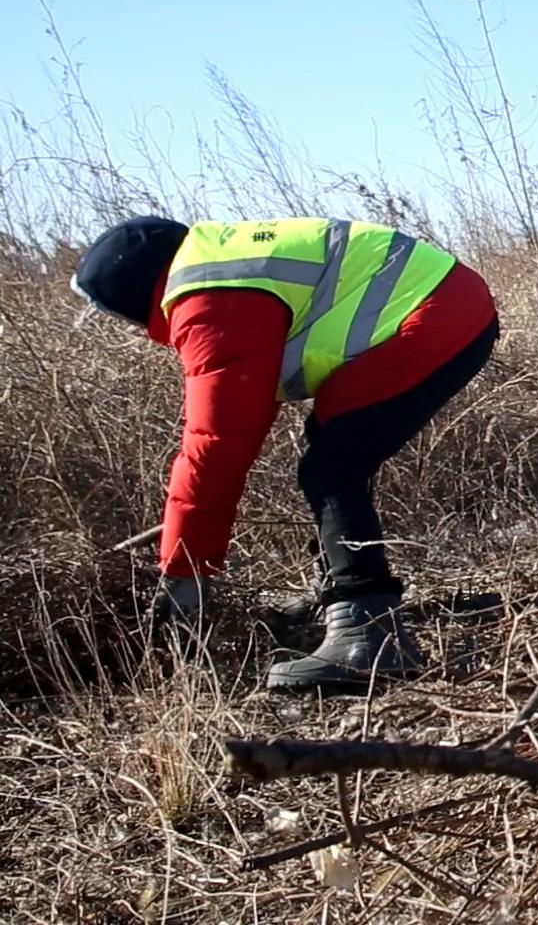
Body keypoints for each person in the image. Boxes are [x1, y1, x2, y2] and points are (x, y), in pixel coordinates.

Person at [69, 215, 498, 689]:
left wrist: (183, 570)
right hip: (447, 303)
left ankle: (369, 636)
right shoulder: (222, 265)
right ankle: (340, 590)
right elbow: (239, 418)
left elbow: (215, 445)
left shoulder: (209, 298)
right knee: (335, 447)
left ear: (133, 296)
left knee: (334, 468)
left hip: (434, 314)